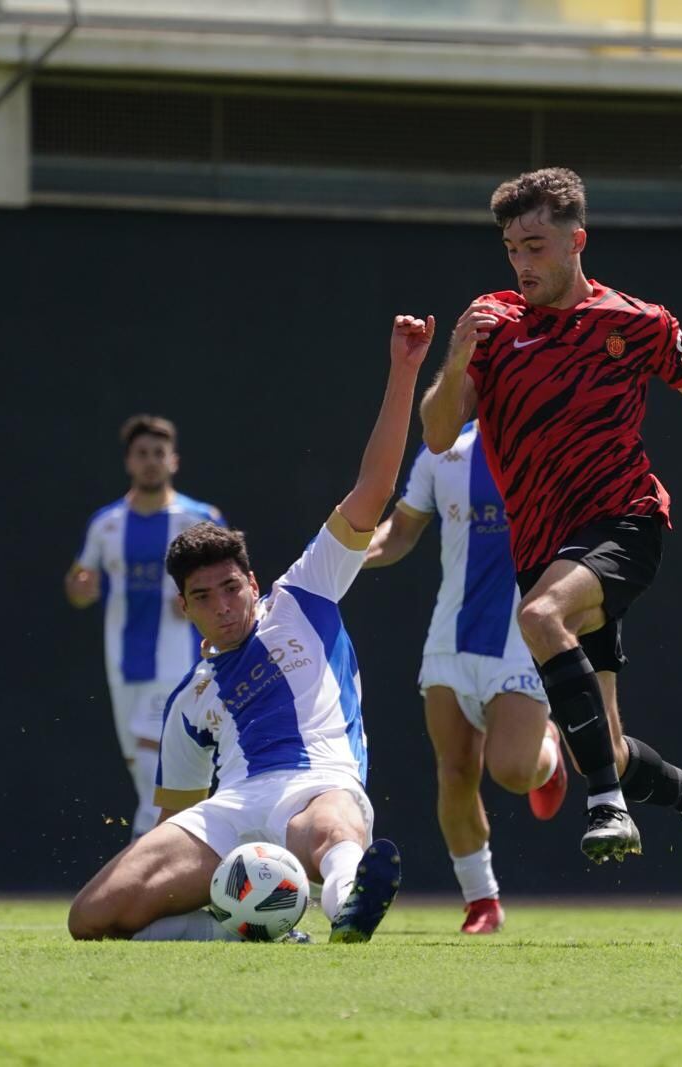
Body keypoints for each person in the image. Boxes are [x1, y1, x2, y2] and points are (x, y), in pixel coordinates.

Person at [419, 167, 682, 895]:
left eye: (535, 246)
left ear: (576, 241)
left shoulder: (635, 321)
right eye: (511, 250)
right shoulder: (494, 326)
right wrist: (457, 355)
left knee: (539, 616)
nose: (522, 264)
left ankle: (605, 807)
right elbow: (438, 436)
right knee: (609, 744)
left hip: (626, 523)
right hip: (546, 549)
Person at [68, 313, 435, 944]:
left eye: (232, 587)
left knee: (333, 832)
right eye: (204, 597)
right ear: (185, 608)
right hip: (233, 808)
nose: (224, 605)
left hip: (318, 782)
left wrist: (403, 373)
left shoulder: (306, 592)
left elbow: (373, 490)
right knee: (93, 918)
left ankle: (351, 906)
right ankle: (245, 933)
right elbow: (175, 817)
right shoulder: (191, 697)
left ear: (254, 582)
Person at [362, 420, 568, 935]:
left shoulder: (550, 437)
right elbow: (401, 531)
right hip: (449, 639)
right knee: (454, 772)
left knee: (514, 772)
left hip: (520, 639)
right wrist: (347, 557)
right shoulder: (443, 452)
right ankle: (482, 903)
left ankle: (548, 748)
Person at [65, 415, 224, 839]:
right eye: (142, 454)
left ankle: (148, 870)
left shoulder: (199, 519)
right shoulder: (107, 524)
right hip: (123, 668)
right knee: (146, 772)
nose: (151, 461)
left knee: (157, 778)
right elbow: (79, 588)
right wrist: (80, 587)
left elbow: (231, 586)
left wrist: (196, 601)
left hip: (180, 665)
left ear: (173, 460)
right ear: (129, 462)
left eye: (159, 453)